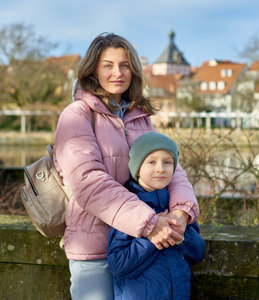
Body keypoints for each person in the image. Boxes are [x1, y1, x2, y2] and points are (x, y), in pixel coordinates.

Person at [53, 33, 199, 300]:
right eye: (108, 65)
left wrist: (181, 213)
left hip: (140, 248)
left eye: (125, 65)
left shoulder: (139, 117)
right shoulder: (76, 115)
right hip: (95, 246)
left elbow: (173, 170)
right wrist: (149, 223)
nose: (117, 72)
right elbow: (88, 182)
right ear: (93, 70)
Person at [107, 132, 206, 300]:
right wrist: (152, 238)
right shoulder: (129, 207)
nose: (160, 168)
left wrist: (180, 235)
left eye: (167, 162)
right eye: (151, 162)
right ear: (137, 168)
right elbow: (118, 264)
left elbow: (198, 252)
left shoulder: (176, 206)